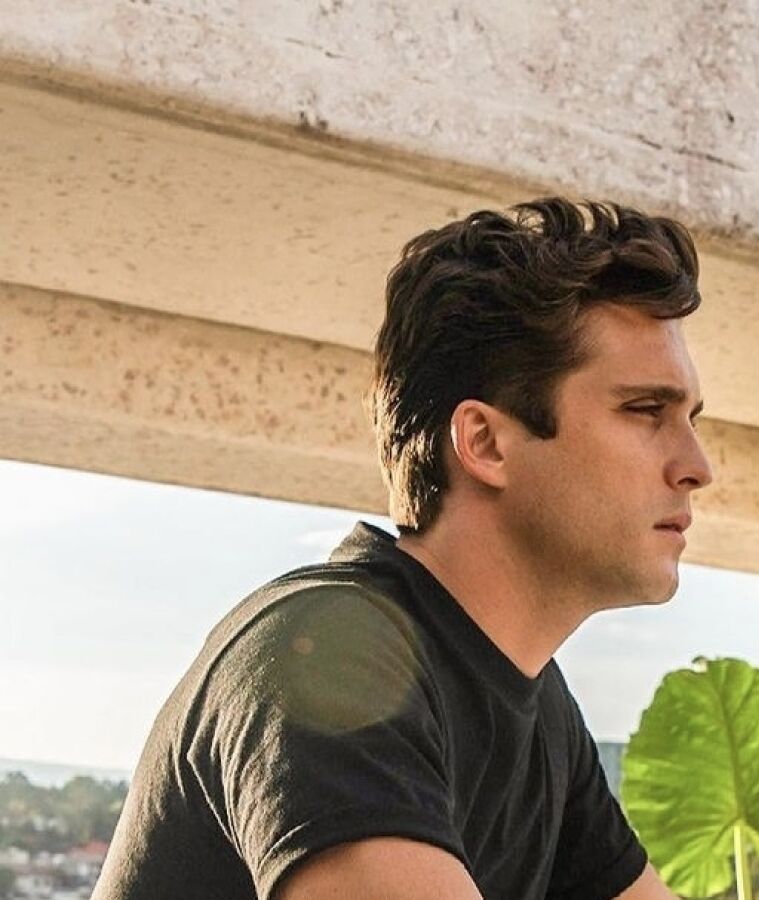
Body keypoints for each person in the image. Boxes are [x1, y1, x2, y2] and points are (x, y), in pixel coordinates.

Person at [95, 198, 711, 900]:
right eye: (645, 411)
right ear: (485, 443)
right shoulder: (327, 653)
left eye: (690, 419)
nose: (697, 466)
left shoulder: (540, 712)